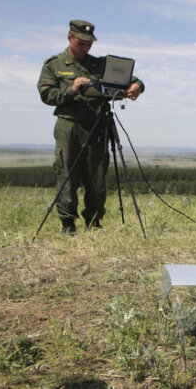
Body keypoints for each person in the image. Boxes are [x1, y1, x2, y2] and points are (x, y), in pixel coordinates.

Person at [37, 20, 145, 233]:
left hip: (97, 126)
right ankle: (68, 223)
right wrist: (72, 90)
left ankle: (94, 221)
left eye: (89, 44)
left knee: (97, 176)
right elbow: (47, 95)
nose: (86, 47)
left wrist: (137, 86)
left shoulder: (100, 64)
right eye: (81, 42)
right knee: (67, 173)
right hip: (69, 126)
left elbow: (131, 79)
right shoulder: (54, 64)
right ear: (70, 37)